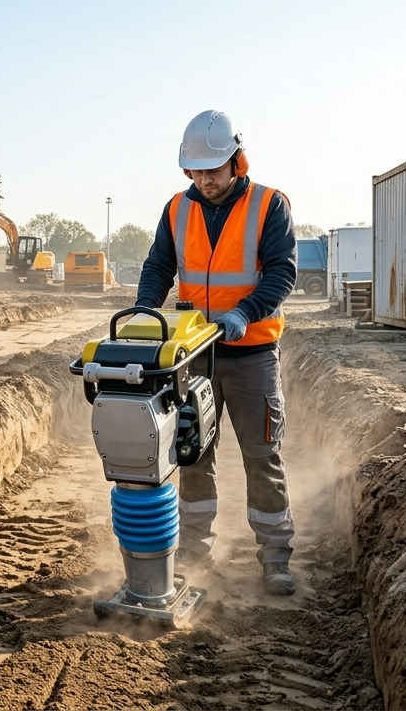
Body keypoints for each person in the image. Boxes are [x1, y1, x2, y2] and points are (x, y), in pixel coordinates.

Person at [135, 110, 300, 596]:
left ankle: (275, 556)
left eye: (213, 169)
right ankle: (193, 552)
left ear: (236, 160)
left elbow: (281, 273)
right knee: (193, 453)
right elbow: (158, 266)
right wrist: (145, 311)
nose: (204, 180)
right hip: (195, 356)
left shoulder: (269, 205)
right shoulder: (175, 209)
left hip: (251, 353)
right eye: (196, 170)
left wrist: (245, 313)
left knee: (262, 454)